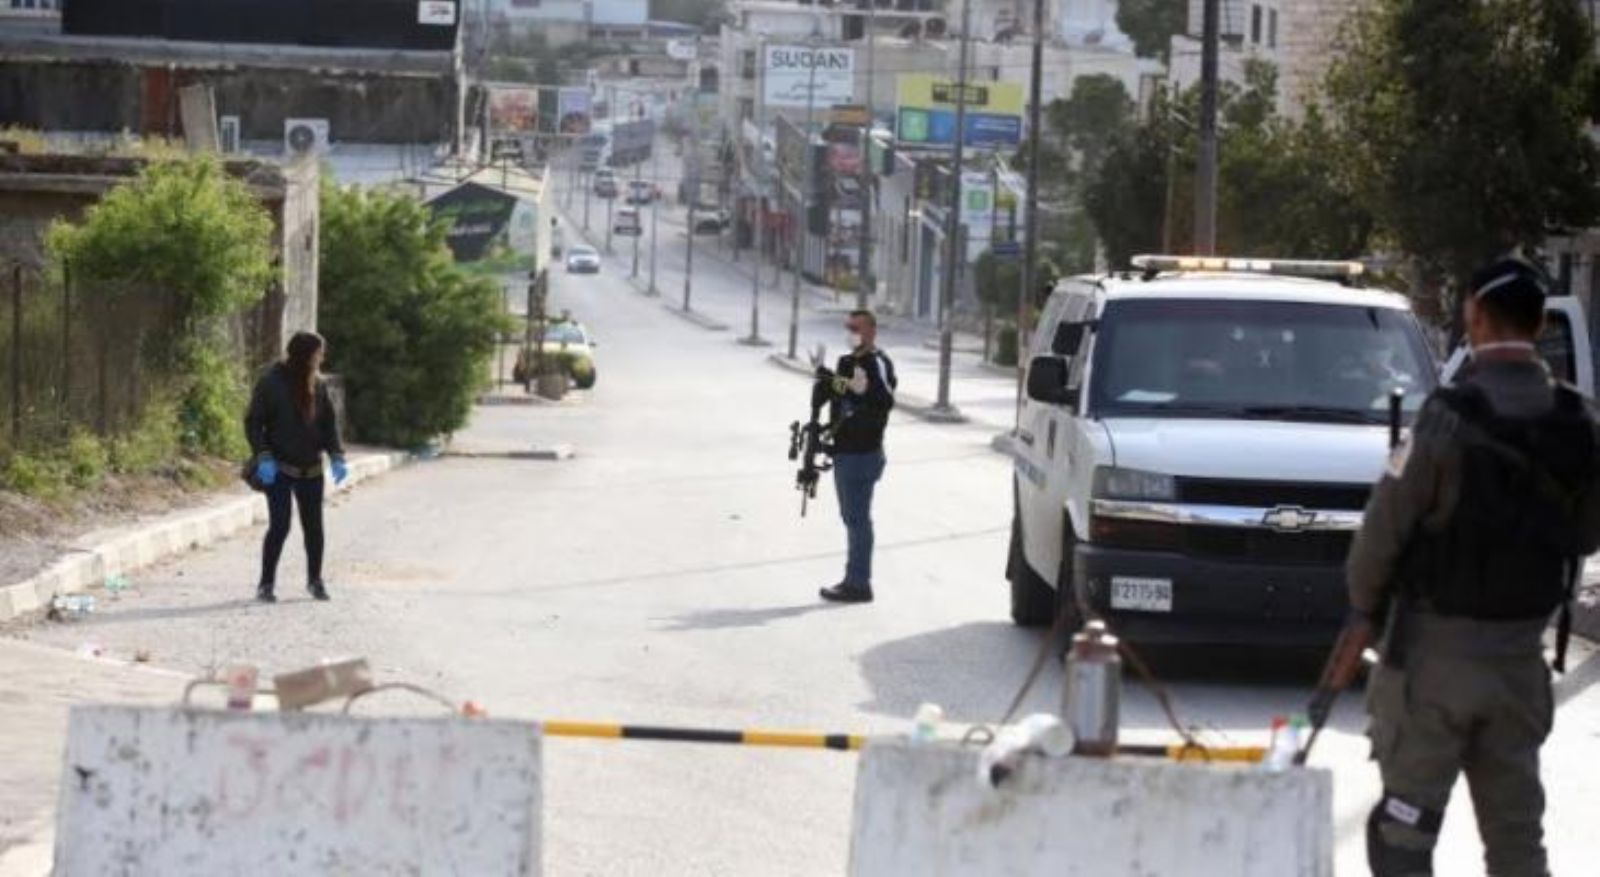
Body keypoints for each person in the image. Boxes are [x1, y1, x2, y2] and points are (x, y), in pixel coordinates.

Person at [1328, 258, 1600, 876]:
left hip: (1435, 665)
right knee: (1517, 845)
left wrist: (1363, 609)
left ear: (1474, 317)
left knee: (1403, 835)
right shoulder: (1579, 422)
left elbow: (1382, 531)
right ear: (1540, 325)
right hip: (1520, 664)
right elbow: (1586, 534)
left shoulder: (1447, 416)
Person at [244, 332, 348, 603]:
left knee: (314, 528)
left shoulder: (319, 385)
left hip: (311, 469)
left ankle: (315, 581)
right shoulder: (271, 383)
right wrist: (263, 456)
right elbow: (254, 422)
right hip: (278, 469)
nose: (322, 357)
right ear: (306, 355)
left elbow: (328, 424)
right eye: (319, 352)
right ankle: (266, 584)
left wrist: (336, 455)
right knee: (280, 526)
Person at [819, 310, 898, 604]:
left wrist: (863, 390)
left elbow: (884, 401)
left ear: (872, 331)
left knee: (857, 520)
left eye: (857, 328)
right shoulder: (847, 361)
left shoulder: (876, 362)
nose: (851, 332)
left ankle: (858, 583)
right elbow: (840, 394)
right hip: (845, 451)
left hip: (863, 453)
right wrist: (827, 377)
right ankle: (855, 579)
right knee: (851, 517)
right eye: (848, 327)